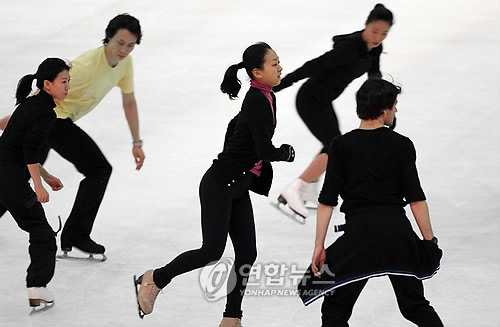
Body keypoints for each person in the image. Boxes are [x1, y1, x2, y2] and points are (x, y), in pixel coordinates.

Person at [134, 42, 295, 327]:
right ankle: (154, 279)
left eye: (278, 61)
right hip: (220, 185)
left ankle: (231, 319)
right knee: (211, 251)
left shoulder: (265, 96)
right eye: (274, 63)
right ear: (257, 72)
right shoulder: (257, 100)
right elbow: (264, 150)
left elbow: (237, 127)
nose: (280, 67)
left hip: (236, 185)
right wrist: (285, 152)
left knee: (247, 253)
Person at [297, 79, 443, 326]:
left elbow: (326, 201)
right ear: (385, 109)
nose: (396, 110)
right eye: (395, 105)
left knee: (335, 309)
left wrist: (319, 245)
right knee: (414, 305)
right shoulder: (402, 145)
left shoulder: (340, 146)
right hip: (397, 236)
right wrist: (429, 241)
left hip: (359, 238)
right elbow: (416, 199)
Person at [0, 14, 145, 256]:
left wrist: (136, 142)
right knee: (99, 169)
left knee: (18, 173)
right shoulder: (86, 65)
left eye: (130, 45)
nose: (124, 50)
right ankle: (76, 234)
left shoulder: (125, 64)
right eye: (120, 43)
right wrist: (10, 123)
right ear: (108, 37)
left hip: (55, 122)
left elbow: (129, 100)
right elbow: (42, 94)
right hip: (54, 120)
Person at [274, 3, 394, 218]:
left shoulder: (373, 49)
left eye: (384, 33)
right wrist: (282, 84)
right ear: (366, 25)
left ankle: (307, 190)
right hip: (310, 100)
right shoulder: (348, 49)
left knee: (332, 144)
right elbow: (313, 66)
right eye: (374, 31)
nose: (378, 37)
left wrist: (384, 104)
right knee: (335, 148)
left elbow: (374, 76)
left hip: (324, 101)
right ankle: (293, 190)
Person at [0, 58, 70, 307]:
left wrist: (46, 176)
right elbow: (29, 149)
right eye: (64, 81)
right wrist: (39, 186)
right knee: (42, 235)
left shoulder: (30, 103)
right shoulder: (46, 113)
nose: (68, 87)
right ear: (48, 84)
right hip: (11, 181)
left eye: (68, 81)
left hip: (3, 174)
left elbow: (15, 146)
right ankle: (38, 288)